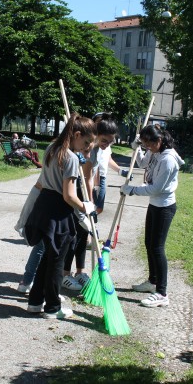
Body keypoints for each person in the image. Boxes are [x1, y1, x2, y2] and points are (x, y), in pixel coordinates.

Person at [23, 113, 96, 319]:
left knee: (47, 258)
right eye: (87, 141)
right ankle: (53, 308)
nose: (88, 146)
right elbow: (69, 195)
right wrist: (85, 207)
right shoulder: (71, 158)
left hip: (43, 205)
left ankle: (35, 302)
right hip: (58, 211)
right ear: (77, 134)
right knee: (56, 262)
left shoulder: (52, 148)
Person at [61, 113, 127, 291]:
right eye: (105, 140)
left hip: (84, 191)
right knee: (73, 234)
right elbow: (81, 176)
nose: (107, 145)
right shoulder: (86, 147)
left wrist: (90, 202)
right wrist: (84, 202)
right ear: (97, 134)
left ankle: (80, 271)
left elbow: (90, 177)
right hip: (73, 191)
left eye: (111, 142)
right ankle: (64, 274)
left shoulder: (98, 150)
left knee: (84, 233)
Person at [120, 125, 184, 307]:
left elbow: (157, 188)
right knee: (149, 243)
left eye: (149, 144)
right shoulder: (154, 151)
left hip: (165, 207)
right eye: (145, 144)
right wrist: (137, 149)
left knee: (157, 247)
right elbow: (141, 163)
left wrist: (132, 190)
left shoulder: (168, 160)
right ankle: (152, 281)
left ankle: (162, 293)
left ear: (159, 140)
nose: (148, 147)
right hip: (154, 205)